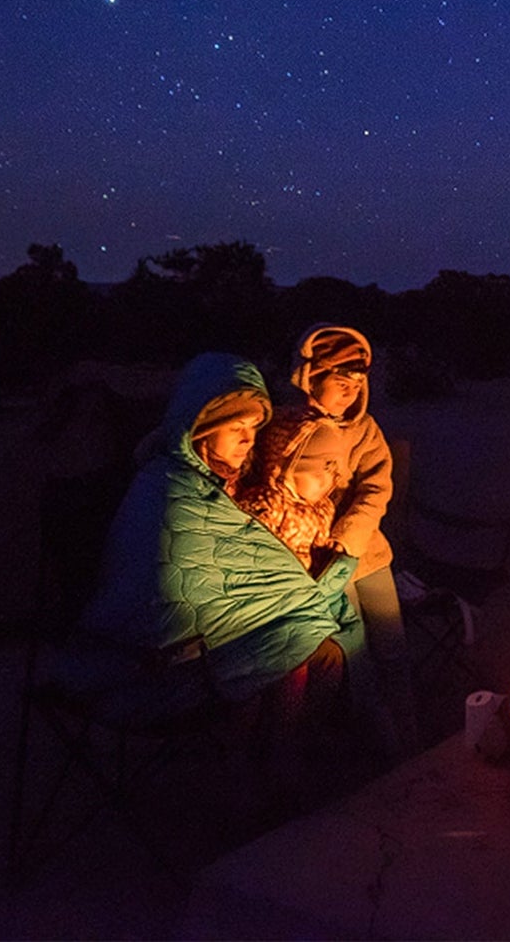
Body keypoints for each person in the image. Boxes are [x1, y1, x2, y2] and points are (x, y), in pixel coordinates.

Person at [68, 352, 383, 764]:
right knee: (306, 650)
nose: (249, 439)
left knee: (312, 647)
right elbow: (180, 570)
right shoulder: (171, 487)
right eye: (236, 427)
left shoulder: (217, 482)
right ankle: (264, 766)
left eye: (253, 428)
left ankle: (270, 758)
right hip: (157, 663)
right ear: (202, 427)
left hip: (199, 646)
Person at [251, 323, 419, 753]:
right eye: (341, 382)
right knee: (355, 658)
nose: (350, 392)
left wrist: (348, 537)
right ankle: (375, 742)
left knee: (393, 650)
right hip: (321, 565)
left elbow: (376, 488)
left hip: (368, 555)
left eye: (358, 384)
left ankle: (408, 736)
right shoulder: (286, 426)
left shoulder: (365, 431)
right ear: (310, 376)